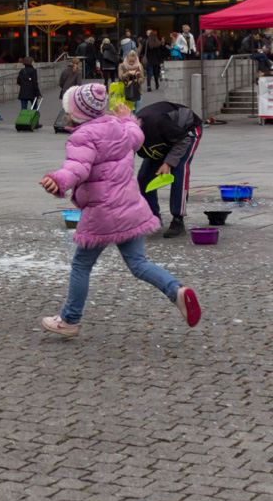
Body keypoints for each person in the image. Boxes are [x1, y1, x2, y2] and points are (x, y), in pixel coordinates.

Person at [38, 83, 201, 336]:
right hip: (129, 207)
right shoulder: (117, 128)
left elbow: (77, 168)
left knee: (81, 265)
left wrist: (58, 181)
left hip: (102, 213)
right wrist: (128, 120)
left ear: (76, 114)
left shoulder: (82, 136)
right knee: (138, 263)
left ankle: (69, 320)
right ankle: (177, 291)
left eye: (67, 109)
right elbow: (136, 137)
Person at [135, 101, 202, 239]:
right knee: (144, 176)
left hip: (187, 131)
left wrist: (168, 163)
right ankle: (152, 217)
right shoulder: (129, 135)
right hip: (165, 137)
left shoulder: (156, 123)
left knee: (179, 170)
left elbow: (182, 141)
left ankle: (178, 220)